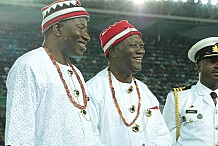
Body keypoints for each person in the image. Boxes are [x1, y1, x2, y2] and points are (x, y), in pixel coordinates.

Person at [5, 0, 103, 145]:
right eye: (80, 28)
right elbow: (19, 136)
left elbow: (90, 132)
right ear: (57, 28)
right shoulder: (29, 65)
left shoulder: (76, 73)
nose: (87, 36)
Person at [86, 20, 171, 146]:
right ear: (113, 51)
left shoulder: (145, 91)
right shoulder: (93, 90)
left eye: (141, 46)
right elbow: (89, 138)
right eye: (133, 45)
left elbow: (162, 136)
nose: (140, 51)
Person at [163, 37, 218, 146]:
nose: (217, 66)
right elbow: (166, 139)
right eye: (212, 61)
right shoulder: (179, 98)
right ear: (198, 67)